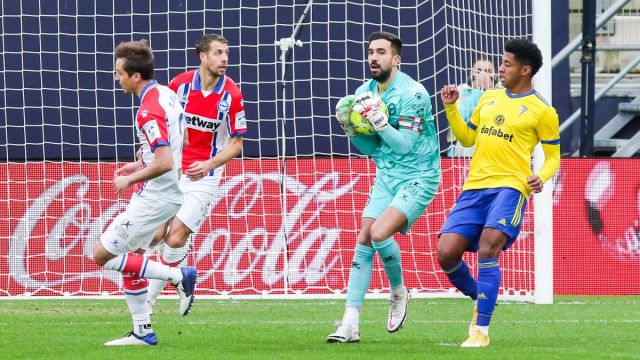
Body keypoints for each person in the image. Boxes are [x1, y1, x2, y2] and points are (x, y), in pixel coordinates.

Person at [439, 38, 560, 347]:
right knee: (446, 252)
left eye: (507, 64)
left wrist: (540, 177)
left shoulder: (543, 111)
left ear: (525, 69)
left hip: (511, 187)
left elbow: (554, 157)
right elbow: (467, 139)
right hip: (475, 186)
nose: (501, 69)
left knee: (488, 247)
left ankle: (480, 331)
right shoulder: (489, 97)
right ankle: (482, 295)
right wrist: (451, 107)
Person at [327, 31, 441, 343]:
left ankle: (399, 291)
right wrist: (351, 129)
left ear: (395, 59)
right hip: (387, 176)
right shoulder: (364, 91)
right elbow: (373, 148)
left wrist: (378, 121)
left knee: (379, 233)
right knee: (363, 238)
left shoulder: (414, 94)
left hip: (420, 176)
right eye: (370, 52)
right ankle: (349, 323)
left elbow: (404, 145)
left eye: (380, 52)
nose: (373, 58)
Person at [93, 39, 197, 346]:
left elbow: (165, 161)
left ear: (135, 76)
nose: (117, 78)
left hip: (156, 197)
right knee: (134, 257)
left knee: (102, 255)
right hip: (164, 193)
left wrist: (132, 178)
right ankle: (142, 331)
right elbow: (184, 140)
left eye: (119, 73)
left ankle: (179, 276)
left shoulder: (148, 110)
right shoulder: (166, 94)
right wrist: (140, 162)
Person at [145, 33, 247, 315]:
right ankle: (179, 278)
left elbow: (236, 144)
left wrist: (210, 164)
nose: (224, 58)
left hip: (205, 175)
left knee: (175, 237)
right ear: (202, 57)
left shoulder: (232, 94)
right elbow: (162, 123)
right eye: (217, 52)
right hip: (174, 170)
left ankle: (149, 302)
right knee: (155, 234)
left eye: (226, 52)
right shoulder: (179, 86)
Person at [446, 58, 496, 157]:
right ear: (470, 75)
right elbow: (459, 118)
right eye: (478, 71)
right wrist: (478, 91)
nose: (483, 75)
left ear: (495, 75)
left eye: (488, 71)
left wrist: (489, 91)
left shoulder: (502, 90)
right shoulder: (460, 90)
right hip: (465, 147)